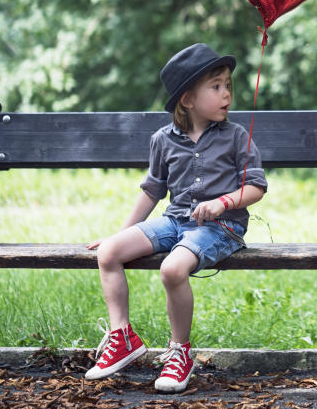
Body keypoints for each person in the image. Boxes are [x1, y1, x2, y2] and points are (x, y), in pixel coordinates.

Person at [84, 43, 267, 392]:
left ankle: (180, 352)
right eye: (216, 86)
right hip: (174, 221)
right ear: (188, 100)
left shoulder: (235, 136)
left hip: (220, 227)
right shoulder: (163, 140)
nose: (227, 93)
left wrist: (224, 202)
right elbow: (152, 192)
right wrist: (120, 234)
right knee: (108, 253)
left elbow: (256, 186)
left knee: (172, 269)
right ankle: (122, 336)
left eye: (228, 84)